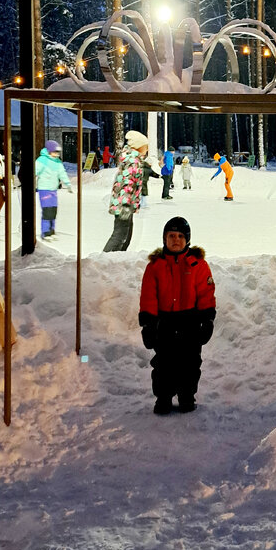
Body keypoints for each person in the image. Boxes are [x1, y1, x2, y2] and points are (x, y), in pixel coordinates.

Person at [138, 215, 216, 415]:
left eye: (180, 236)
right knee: (164, 363)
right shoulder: (155, 266)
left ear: (187, 240)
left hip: (189, 321)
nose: (176, 240)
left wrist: (207, 319)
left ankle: (186, 397)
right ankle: (163, 398)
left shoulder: (197, 265)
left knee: (190, 363)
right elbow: (148, 296)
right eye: (171, 235)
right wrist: (148, 323)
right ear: (164, 238)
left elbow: (206, 294)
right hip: (164, 322)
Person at [104, 130, 147, 251]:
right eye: (145, 146)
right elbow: (127, 183)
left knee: (126, 236)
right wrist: (126, 204)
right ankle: (103, 260)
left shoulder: (134, 159)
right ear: (139, 147)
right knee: (119, 235)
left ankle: (118, 259)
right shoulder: (133, 161)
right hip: (124, 204)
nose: (147, 149)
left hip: (126, 203)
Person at [35, 139, 72, 239]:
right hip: (44, 189)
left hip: (53, 189)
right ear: (49, 151)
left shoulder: (57, 162)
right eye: (55, 152)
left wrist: (68, 183)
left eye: (58, 152)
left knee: (53, 210)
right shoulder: (42, 160)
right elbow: (35, 171)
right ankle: (45, 232)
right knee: (47, 210)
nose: (57, 154)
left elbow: (62, 173)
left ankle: (52, 230)